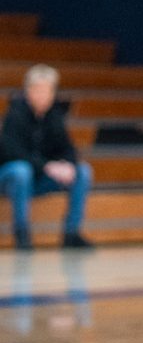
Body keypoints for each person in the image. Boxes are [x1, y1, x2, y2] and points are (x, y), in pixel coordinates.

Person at [0, 64, 94, 250]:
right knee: (21, 170)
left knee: (82, 171)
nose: (44, 95)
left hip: (39, 179)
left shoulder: (54, 116)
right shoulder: (15, 115)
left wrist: (67, 165)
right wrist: (46, 166)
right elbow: (13, 152)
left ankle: (71, 233)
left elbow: (68, 148)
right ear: (28, 91)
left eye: (48, 90)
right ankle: (22, 233)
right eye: (39, 90)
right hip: (10, 179)